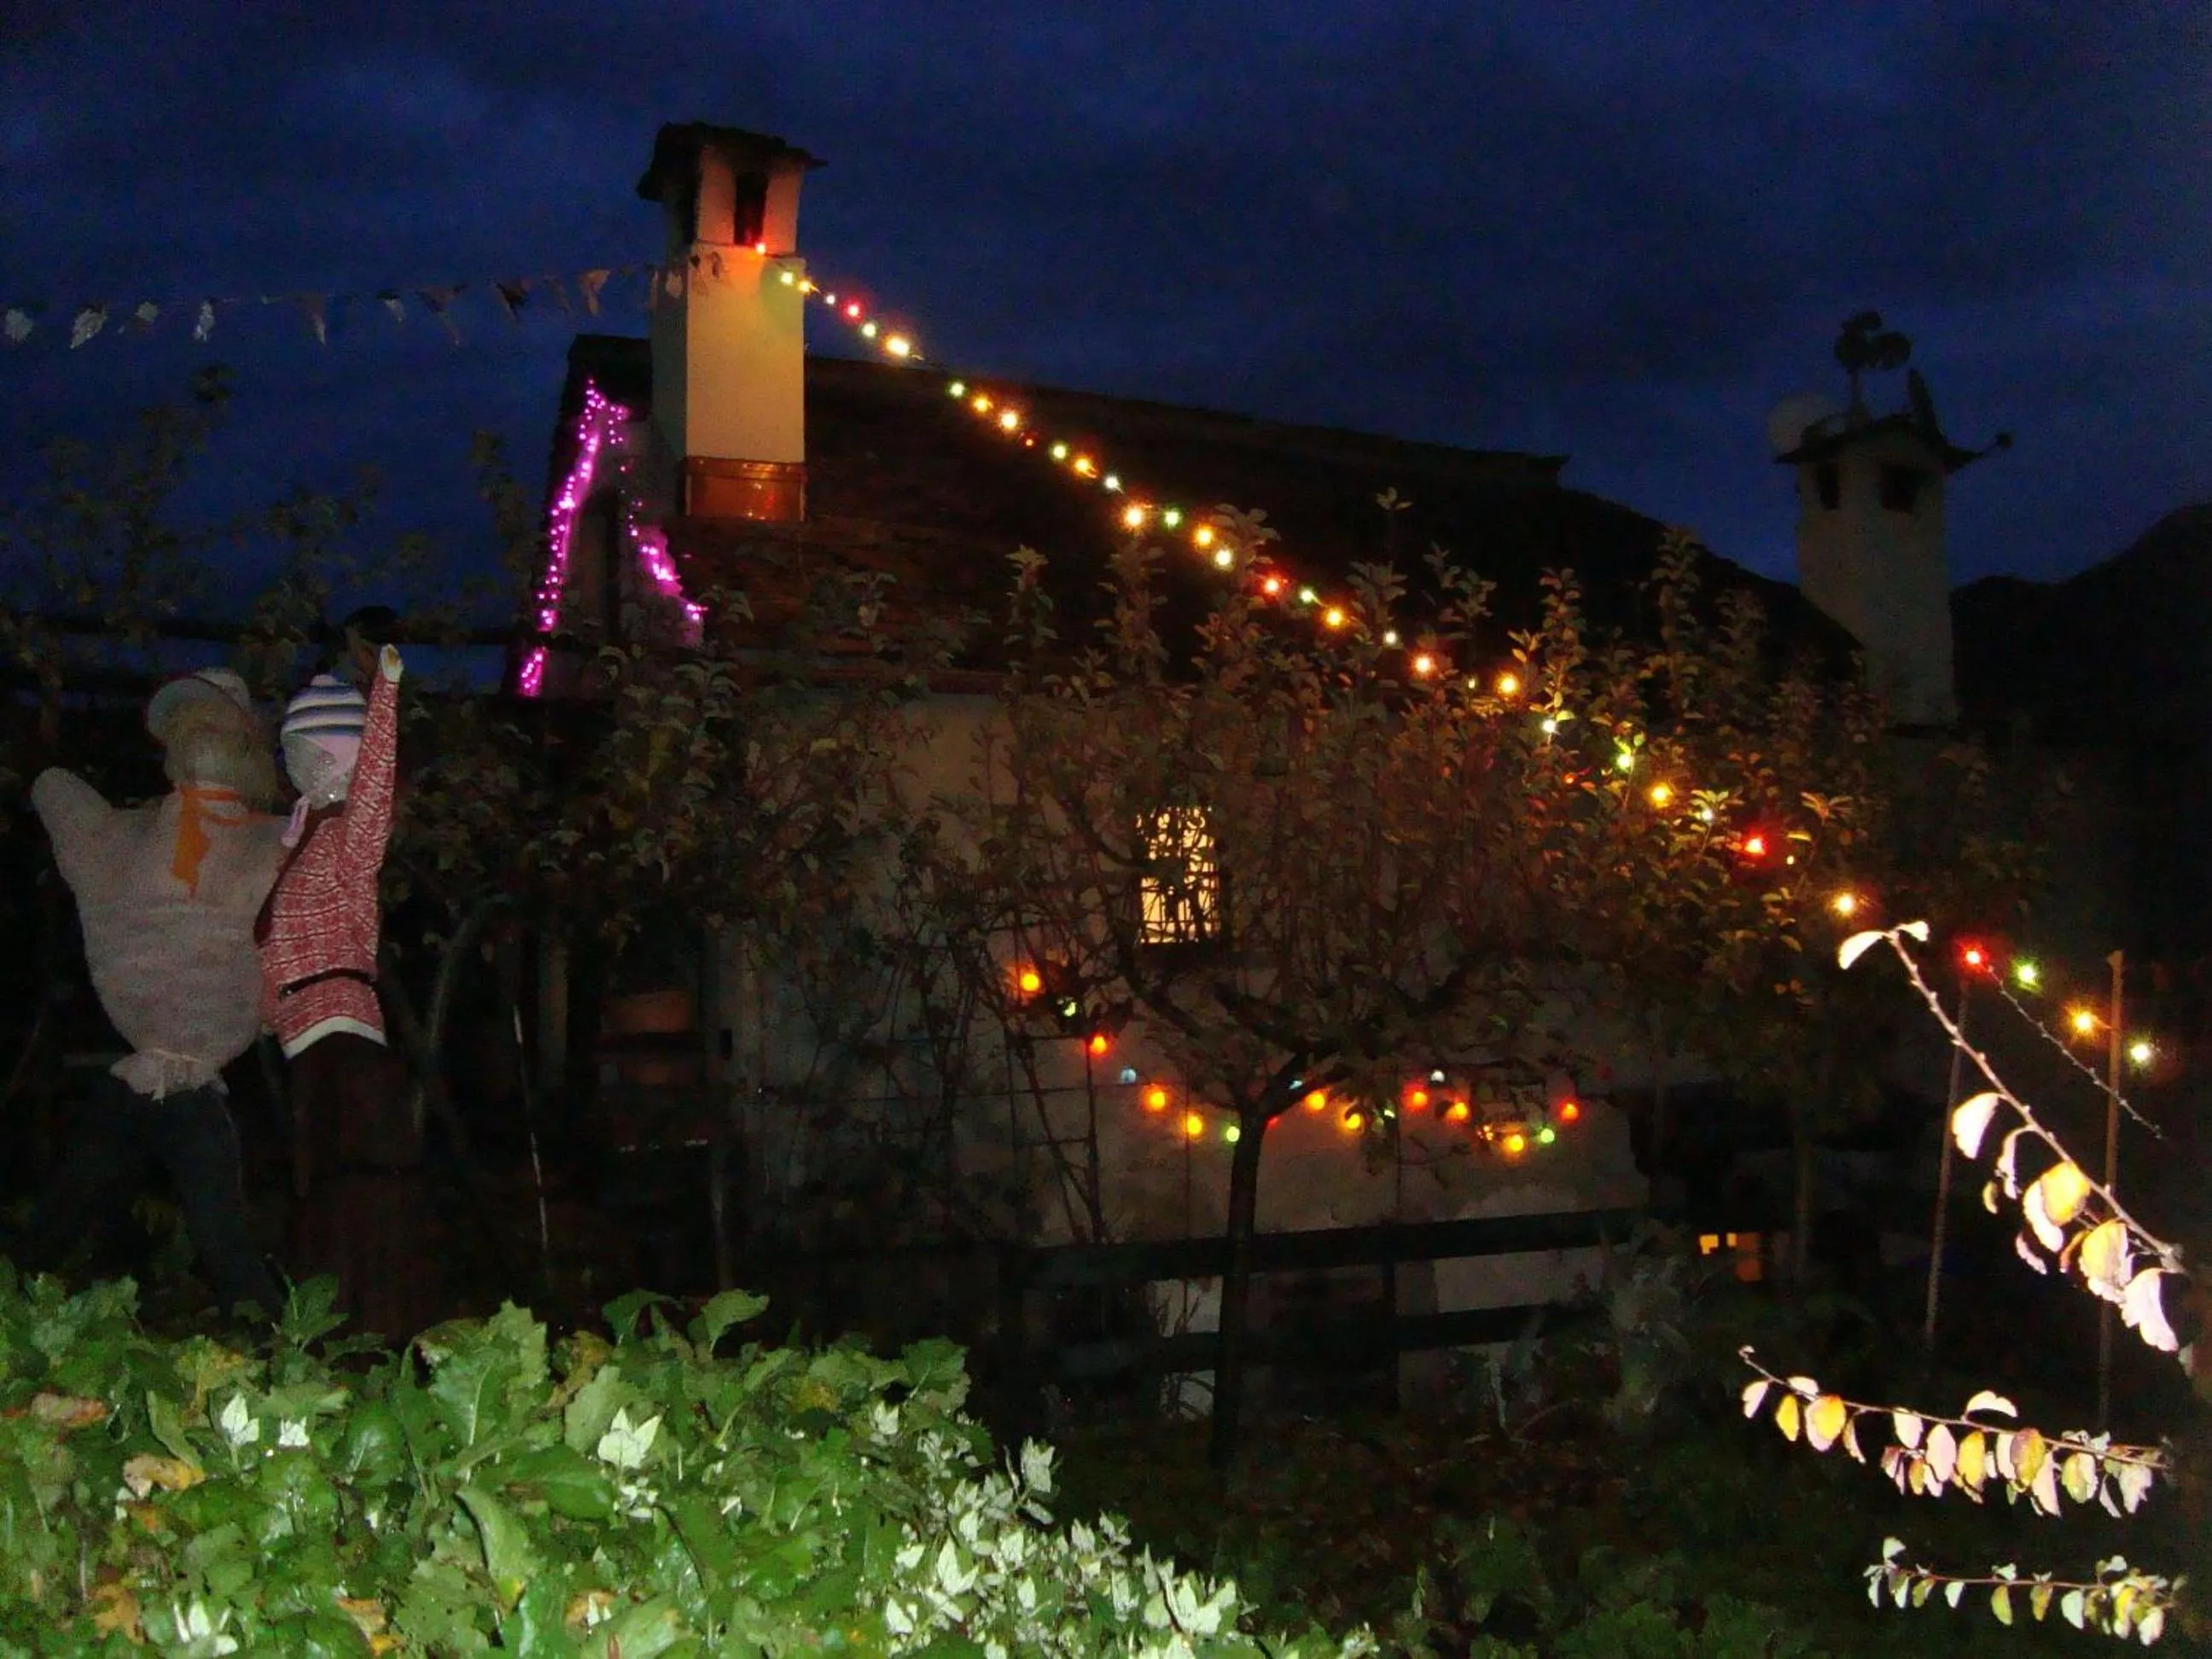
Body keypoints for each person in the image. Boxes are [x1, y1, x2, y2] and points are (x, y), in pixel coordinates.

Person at [30, 667, 288, 1318]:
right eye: (186, 725)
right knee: (74, 1215)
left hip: (180, 1080)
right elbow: (62, 798)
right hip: (151, 1076)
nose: (197, 736)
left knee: (214, 1234)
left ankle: (268, 1347)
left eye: (213, 723)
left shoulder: (271, 842)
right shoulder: (130, 838)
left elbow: (59, 795)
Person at [259, 642, 430, 1338]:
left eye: (306, 749)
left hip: (346, 1046)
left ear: (330, 756)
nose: (295, 761)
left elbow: (377, 790)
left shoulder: (349, 840)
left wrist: (385, 691)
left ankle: (377, 1344)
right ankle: (334, 1349)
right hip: (309, 1048)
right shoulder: (299, 840)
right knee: (326, 1206)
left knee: (361, 1206)